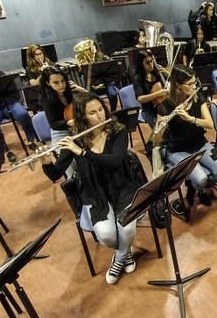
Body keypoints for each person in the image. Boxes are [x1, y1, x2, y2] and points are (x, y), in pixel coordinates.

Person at [39, 93, 147, 284]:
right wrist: (46, 162)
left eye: (100, 110)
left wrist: (83, 153)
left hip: (123, 186)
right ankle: (125, 252)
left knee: (127, 230)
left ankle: (119, 259)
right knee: (106, 236)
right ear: (82, 117)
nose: (100, 115)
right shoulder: (75, 141)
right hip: (95, 192)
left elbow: (115, 162)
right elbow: (55, 174)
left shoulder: (117, 130)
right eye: (93, 112)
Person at [155, 65, 217, 206]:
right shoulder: (165, 106)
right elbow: (155, 141)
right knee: (201, 179)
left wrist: (190, 119)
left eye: (194, 82)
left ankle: (193, 185)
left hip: (200, 144)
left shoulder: (197, 97)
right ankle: (198, 188)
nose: (194, 86)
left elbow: (209, 124)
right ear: (178, 86)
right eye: (190, 84)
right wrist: (162, 126)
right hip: (178, 150)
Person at [39, 66, 87, 144]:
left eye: (63, 81)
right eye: (56, 82)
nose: (61, 85)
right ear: (48, 83)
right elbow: (53, 124)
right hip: (61, 130)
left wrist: (82, 90)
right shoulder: (47, 100)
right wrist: (68, 123)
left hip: (79, 127)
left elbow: (92, 100)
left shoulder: (70, 90)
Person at [73, 39, 119, 112]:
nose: (93, 47)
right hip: (92, 83)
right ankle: (102, 111)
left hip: (106, 81)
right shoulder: (82, 58)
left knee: (113, 94)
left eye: (94, 45)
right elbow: (80, 73)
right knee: (92, 97)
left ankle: (113, 111)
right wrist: (82, 68)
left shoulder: (102, 56)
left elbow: (111, 64)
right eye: (90, 46)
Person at [133, 49, 169, 128]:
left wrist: (167, 73)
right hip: (150, 110)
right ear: (141, 64)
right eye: (147, 62)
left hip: (165, 106)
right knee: (162, 130)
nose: (151, 65)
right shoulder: (138, 78)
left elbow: (173, 84)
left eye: (152, 61)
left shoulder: (158, 72)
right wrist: (158, 94)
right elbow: (140, 98)